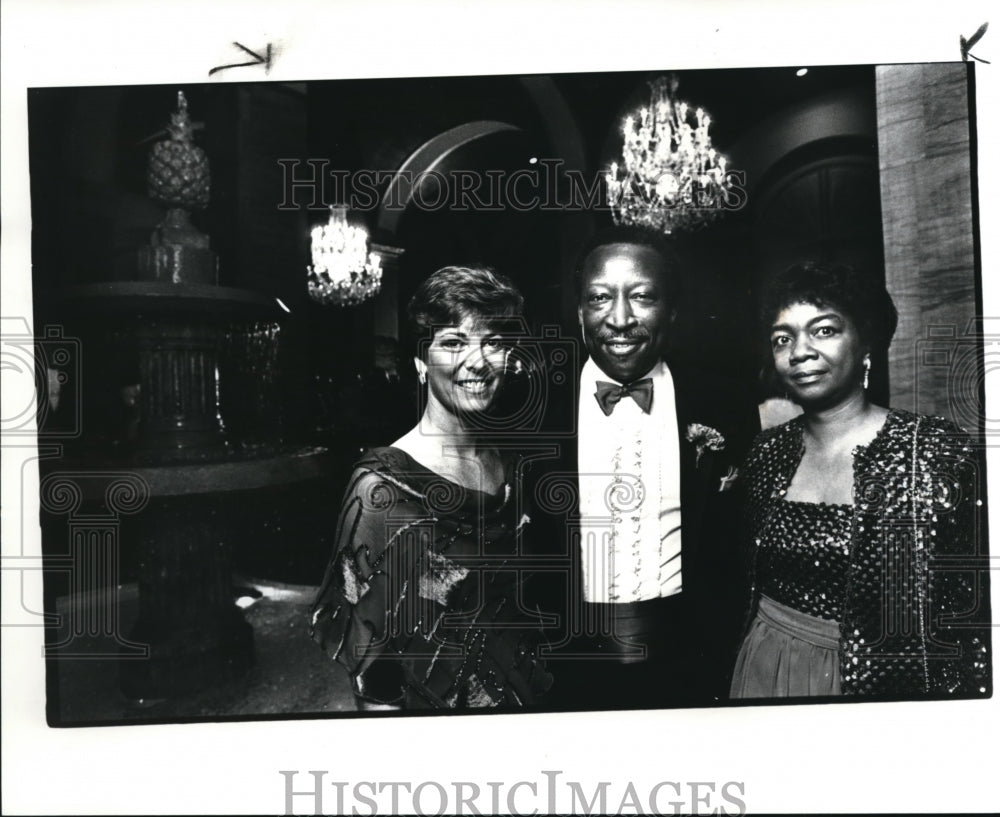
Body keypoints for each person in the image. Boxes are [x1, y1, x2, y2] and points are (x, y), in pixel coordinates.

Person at [730, 261, 991, 699]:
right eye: (783, 338)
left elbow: (971, 613)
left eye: (824, 330)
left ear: (865, 340)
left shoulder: (933, 449)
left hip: (883, 685)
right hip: (764, 662)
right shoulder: (766, 452)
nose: (800, 351)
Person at [309, 265, 552, 710]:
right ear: (421, 361)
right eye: (454, 342)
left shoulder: (512, 469)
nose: (477, 361)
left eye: (493, 342)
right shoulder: (382, 489)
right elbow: (372, 672)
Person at [540, 226, 758, 708]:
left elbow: (741, 542)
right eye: (599, 298)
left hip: (692, 661)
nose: (620, 319)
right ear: (579, 313)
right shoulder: (535, 411)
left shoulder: (725, 403)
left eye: (642, 297)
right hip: (563, 667)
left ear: (672, 310)